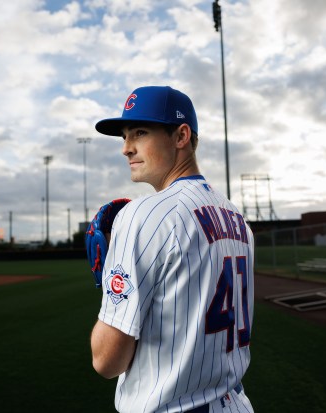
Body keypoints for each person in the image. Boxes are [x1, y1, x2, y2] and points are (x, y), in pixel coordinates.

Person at [91, 86, 255, 413]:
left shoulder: (142, 215)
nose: (126, 148)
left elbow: (107, 361)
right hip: (234, 403)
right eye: (124, 136)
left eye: (140, 132)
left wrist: (109, 283)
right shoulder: (238, 218)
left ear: (181, 136)